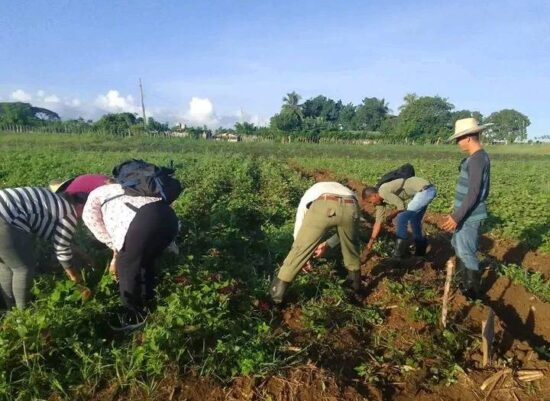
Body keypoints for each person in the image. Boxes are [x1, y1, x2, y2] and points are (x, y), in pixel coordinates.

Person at [82, 182, 179, 330]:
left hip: (143, 220)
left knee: (126, 266)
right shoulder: (123, 186)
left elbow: (96, 227)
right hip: (169, 217)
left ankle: (133, 316)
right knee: (145, 260)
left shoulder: (92, 200)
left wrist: (116, 256)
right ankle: (148, 302)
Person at [269, 181, 361, 304]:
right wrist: (327, 244)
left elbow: (300, 223)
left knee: (299, 250)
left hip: (325, 203)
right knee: (351, 249)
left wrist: (303, 255)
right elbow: (345, 234)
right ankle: (355, 293)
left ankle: (275, 299)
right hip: (352, 205)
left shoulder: (311, 193)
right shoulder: (346, 190)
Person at [0, 186, 88, 309]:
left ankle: (10, 307)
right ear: (80, 206)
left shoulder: (54, 202)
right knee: (23, 268)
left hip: (4, 207)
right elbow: (61, 250)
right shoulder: (69, 213)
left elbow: (57, 239)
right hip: (6, 217)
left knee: (7, 266)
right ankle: (23, 313)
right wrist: (77, 280)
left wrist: (82, 255)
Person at [442, 118, 492, 300]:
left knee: (465, 251)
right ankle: (463, 282)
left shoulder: (477, 159)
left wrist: (457, 216)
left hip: (470, 215)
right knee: (457, 245)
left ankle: (472, 292)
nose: (458, 143)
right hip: (465, 213)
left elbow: (473, 192)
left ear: (469, 138)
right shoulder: (475, 158)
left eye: (459, 139)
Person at [361, 176, 437, 261]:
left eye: (370, 201)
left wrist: (391, 216)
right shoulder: (380, 202)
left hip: (425, 190)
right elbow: (378, 223)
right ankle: (420, 253)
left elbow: (401, 206)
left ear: (374, 196)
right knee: (414, 221)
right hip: (424, 192)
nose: (372, 204)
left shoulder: (383, 192)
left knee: (401, 218)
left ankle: (397, 256)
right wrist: (369, 244)